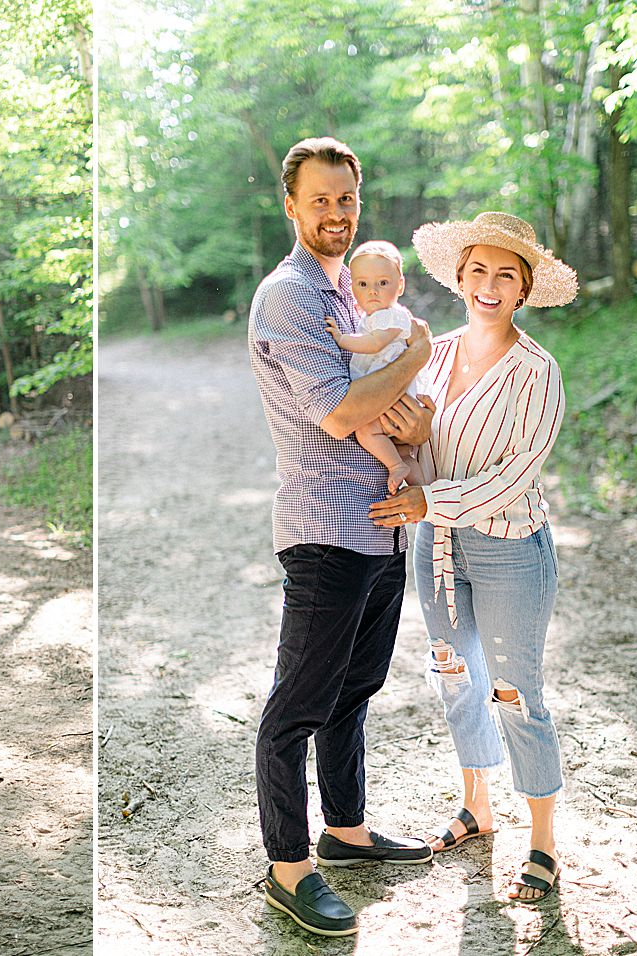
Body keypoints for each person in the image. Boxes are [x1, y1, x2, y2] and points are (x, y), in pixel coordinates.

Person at [248, 136, 437, 938]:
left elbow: (392, 410)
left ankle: (347, 831)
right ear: (291, 206)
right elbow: (342, 413)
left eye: (347, 199)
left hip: (380, 528)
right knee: (299, 704)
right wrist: (421, 352)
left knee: (353, 693)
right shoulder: (289, 295)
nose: (336, 213)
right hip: (325, 529)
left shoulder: (352, 295)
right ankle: (289, 868)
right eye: (320, 199)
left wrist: (420, 431)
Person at [369, 211, 576, 904]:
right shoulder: (431, 355)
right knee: (456, 676)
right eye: (478, 270)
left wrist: (430, 501)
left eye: (505, 275)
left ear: (523, 290)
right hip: (438, 547)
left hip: (511, 547)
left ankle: (542, 840)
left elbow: (514, 475)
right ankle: (477, 807)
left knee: (515, 692)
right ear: (460, 278)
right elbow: (415, 447)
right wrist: (408, 460)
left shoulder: (536, 371)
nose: (490, 284)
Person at [325, 239, 429, 493]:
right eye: (363, 284)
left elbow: (374, 343)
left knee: (366, 431)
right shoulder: (374, 316)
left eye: (382, 283)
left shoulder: (390, 315)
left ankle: (395, 467)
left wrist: (341, 339)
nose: (373, 291)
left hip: (392, 396)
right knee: (404, 451)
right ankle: (426, 493)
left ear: (400, 285)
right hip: (395, 395)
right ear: (352, 288)